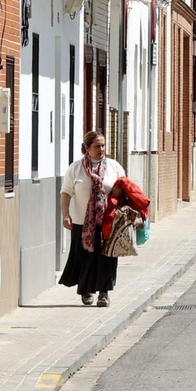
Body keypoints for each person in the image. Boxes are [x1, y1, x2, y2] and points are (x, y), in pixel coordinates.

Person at [59, 131, 126, 306]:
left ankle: (104, 293)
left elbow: (126, 188)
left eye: (103, 145)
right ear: (87, 148)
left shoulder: (114, 167)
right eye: (97, 146)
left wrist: (120, 192)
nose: (101, 149)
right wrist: (65, 215)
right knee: (84, 257)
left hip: (107, 222)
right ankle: (86, 290)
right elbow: (66, 193)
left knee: (107, 258)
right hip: (82, 223)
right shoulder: (76, 168)